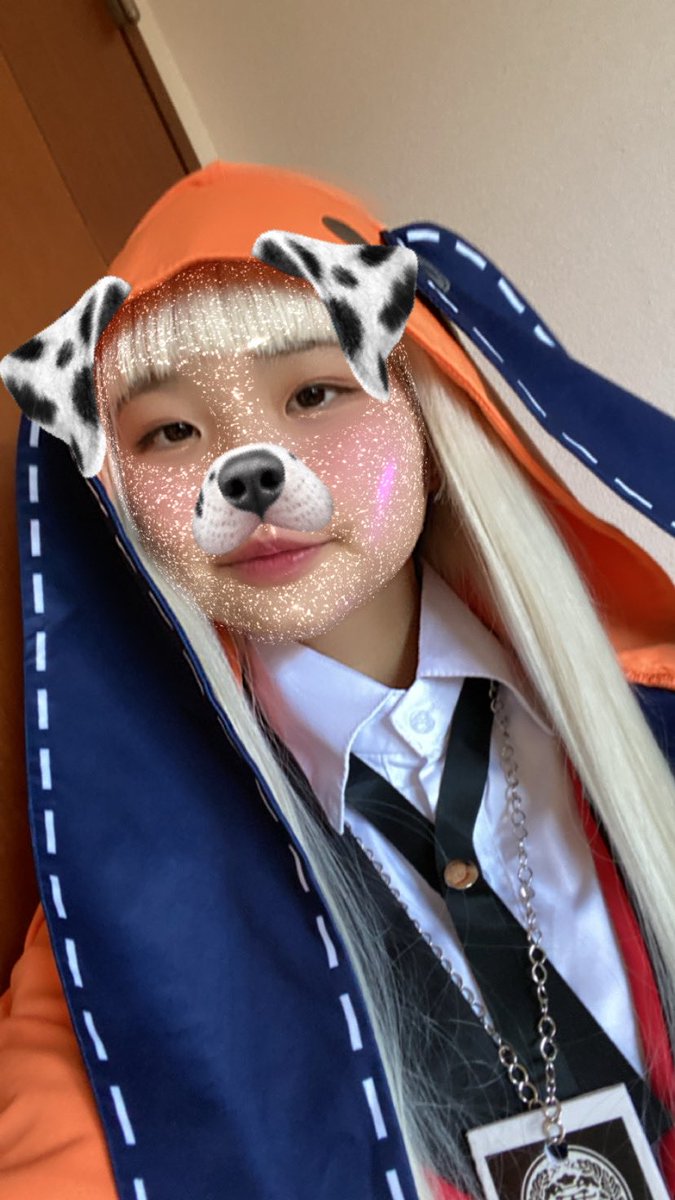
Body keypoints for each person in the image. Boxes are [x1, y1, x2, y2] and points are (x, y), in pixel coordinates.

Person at [0, 159, 673, 1200]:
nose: (247, 467)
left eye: (313, 392)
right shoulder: (123, 915)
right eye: (170, 430)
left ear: (424, 400)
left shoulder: (650, 728)